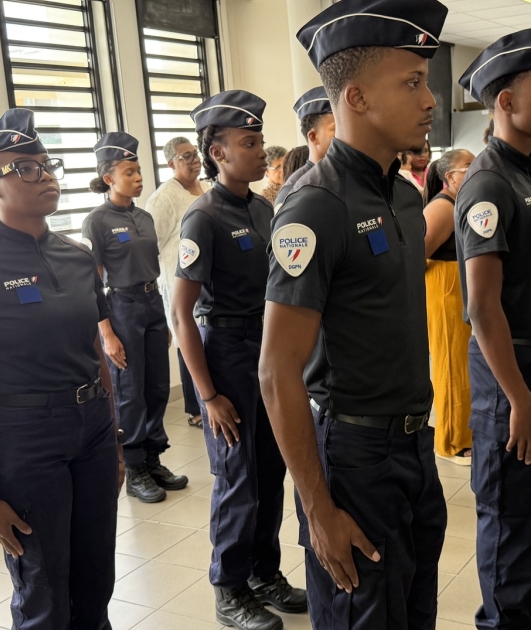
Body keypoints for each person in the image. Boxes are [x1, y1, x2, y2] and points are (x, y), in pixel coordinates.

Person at [258, 1, 450, 628]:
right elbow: (276, 370)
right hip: (353, 453)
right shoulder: (315, 206)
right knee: (362, 614)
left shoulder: (399, 191)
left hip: (413, 443)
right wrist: (317, 509)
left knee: (412, 607)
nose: (430, 100)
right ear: (358, 97)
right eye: (413, 82)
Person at [0, 108, 121, 628]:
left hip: (93, 431)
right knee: (44, 589)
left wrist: (114, 441)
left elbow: (94, 351)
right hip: (25, 438)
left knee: (95, 578)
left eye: (47, 164)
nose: (47, 176)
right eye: (26, 169)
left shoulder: (78, 257)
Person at [174, 90, 305, 630]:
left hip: (266, 350)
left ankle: (263, 574)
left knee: (272, 470)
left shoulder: (261, 206)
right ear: (217, 151)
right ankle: (228, 587)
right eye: (248, 143)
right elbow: (183, 316)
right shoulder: (201, 217)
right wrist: (208, 396)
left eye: (259, 142)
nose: (260, 153)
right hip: (226, 352)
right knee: (238, 479)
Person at [456, 27, 531, 623]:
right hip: (512, 374)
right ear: (506, 102)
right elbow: (482, 308)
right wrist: (519, 399)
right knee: (509, 524)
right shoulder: (489, 182)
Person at [82, 132, 188, 503]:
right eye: (129, 172)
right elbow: (93, 283)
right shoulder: (97, 221)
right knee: (130, 393)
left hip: (152, 304)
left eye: (140, 171)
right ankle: (135, 467)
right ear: (109, 178)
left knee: (157, 386)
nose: (138, 178)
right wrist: (106, 333)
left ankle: (154, 457)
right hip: (122, 308)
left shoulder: (143, 216)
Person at [145, 136, 209, 428]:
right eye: (185, 157)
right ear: (171, 163)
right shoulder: (163, 197)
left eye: (195, 154)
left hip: (207, 278)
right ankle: (195, 408)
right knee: (188, 338)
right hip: (179, 278)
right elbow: (151, 244)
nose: (193, 160)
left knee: (205, 338)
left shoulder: (204, 188)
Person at [422, 148, 475, 466]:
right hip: (445, 289)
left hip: (459, 287)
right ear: (449, 176)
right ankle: (451, 440)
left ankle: (464, 432)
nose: (476, 169)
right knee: (451, 367)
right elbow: (417, 254)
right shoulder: (442, 207)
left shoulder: (459, 203)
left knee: (464, 366)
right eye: (469, 166)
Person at [275, 86, 336, 209]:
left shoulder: (348, 176)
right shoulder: (293, 190)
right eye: (336, 129)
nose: (344, 134)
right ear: (313, 137)